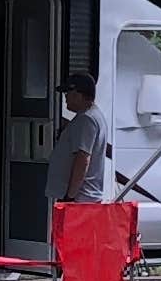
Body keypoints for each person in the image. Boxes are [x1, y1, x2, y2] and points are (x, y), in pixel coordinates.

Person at [46, 70, 112, 205]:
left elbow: (83, 160)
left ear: (78, 94)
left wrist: (70, 196)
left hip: (80, 198)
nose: (65, 98)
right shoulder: (93, 115)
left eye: (67, 93)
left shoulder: (86, 119)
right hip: (84, 197)